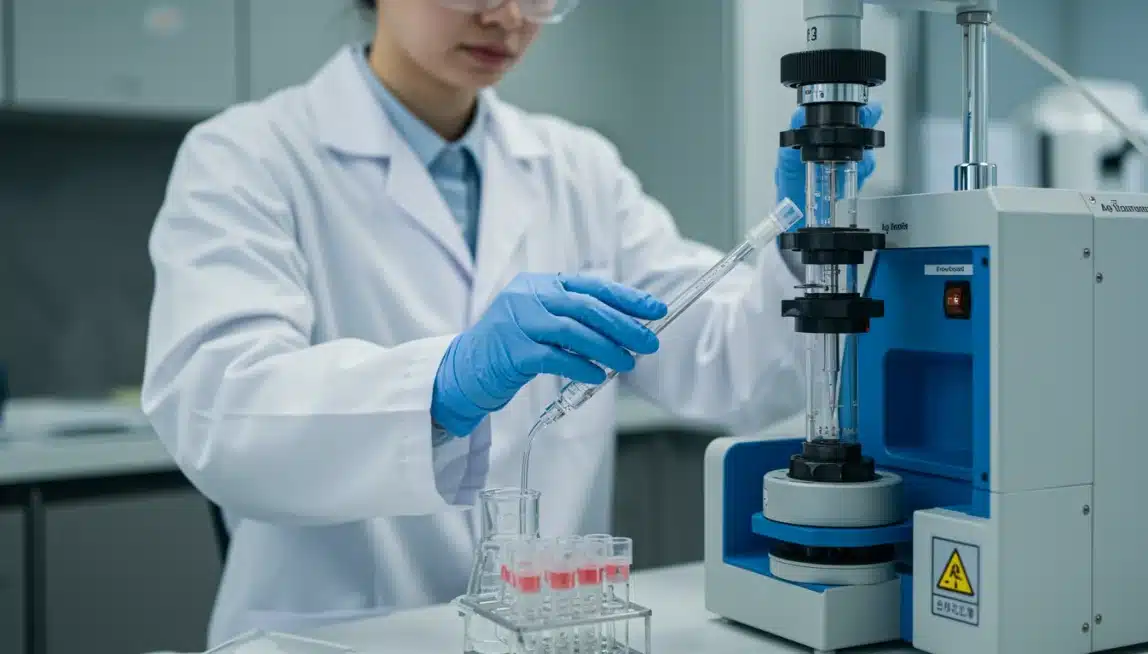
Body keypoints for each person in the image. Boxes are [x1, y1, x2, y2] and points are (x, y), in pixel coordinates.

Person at [142, 0, 881, 644]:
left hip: (545, 633)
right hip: (332, 635)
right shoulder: (248, 156)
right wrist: (444, 382)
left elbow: (733, 366)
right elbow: (218, 409)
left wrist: (808, 245)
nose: (508, 17)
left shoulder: (580, 170)